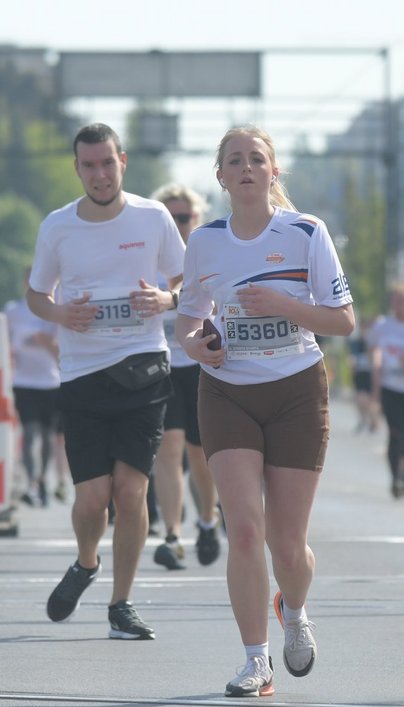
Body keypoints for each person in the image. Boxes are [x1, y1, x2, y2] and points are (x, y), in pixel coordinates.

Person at [175, 125, 354, 697]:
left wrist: (284, 305)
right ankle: (256, 660)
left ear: (273, 173)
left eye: (257, 159)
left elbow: (343, 320)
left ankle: (294, 610)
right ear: (221, 176)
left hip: (296, 390)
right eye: (236, 161)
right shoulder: (204, 242)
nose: (247, 168)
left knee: (286, 541)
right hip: (227, 389)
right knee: (245, 531)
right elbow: (187, 318)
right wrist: (194, 344)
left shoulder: (305, 233)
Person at [28, 122, 185, 640]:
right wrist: (59, 315)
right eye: (89, 165)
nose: (99, 174)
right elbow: (36, 295)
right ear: (78, 168)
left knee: (130, 490)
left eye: (107, 163)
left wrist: (167, 301)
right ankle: (86, 561)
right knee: (92, 498)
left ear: (122, 161)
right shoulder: (57, 227)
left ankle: (122, 603)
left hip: (143, 366)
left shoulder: (153, 216)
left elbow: (187, 280)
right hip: (82, 373)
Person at [149, 183, 222, 570]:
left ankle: (208, 521)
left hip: (200, 364)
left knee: (200, 453)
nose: (177, 224)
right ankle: (173, 537)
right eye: (170, 218)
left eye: (184, 217)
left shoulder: (207, 253)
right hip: (159, 364)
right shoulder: (147, 255)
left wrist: (170, 300)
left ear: (197, 218)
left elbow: (212, 299)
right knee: (169, 449)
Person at [5, 267, 61, 507]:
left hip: (51, 381)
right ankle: (32, 482)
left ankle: (43, 481)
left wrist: (45, 342)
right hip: (24, 382)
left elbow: (60, 348)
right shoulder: (13, 311)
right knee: (29, 433)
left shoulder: (53, 311)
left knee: (47, 437)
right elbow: (6, 345)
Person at [367, 283, 404, 499]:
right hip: (391, 388)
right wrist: (376, 385)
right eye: (396, 300)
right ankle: (396, 479)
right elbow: (375, 354)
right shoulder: (383, 327)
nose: (399, 305)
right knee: (396, 434)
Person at [347, 317, 379, 433]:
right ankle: (363, 419)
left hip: (371, 372)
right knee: (360, 397)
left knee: (370, 398)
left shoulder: (373, 343)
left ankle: (372, 420)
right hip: (360, 372)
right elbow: (352, 359)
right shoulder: (355, 342)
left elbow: (376, 359)